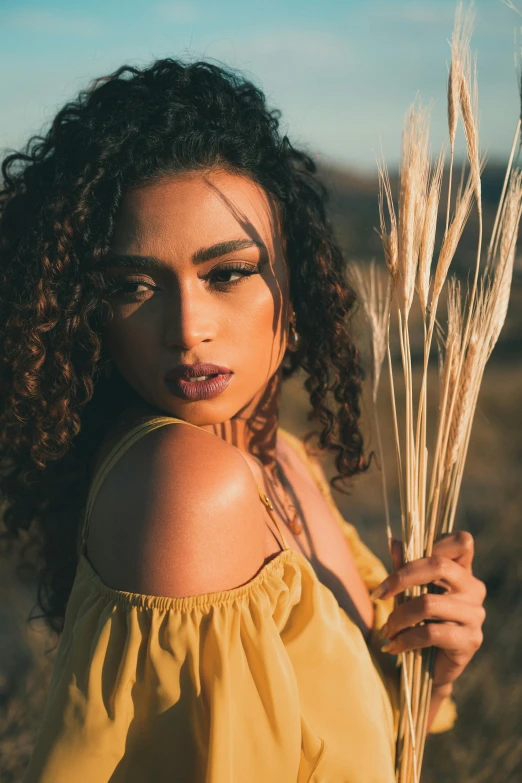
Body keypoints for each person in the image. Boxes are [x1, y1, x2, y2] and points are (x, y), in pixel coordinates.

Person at [0, 58, 485, 782]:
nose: (189, 327)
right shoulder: (191, 487)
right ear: (88, 312)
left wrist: (434, 673)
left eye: (227, 272)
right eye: (133, 283)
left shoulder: (283, 459)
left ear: (296, 280)